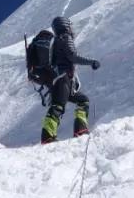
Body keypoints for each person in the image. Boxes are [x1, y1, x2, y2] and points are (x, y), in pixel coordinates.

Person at [40, 16, 100, 144]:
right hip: (63, 79)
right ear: (65, 26)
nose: (71, 28)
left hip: (61, 80)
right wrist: (91, 62)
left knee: (82, 100)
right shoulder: (65, 38)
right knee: (58, 106)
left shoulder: (56, 40)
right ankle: (48, 137)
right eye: (69, 25)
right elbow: (73, 56)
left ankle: (80, 130)